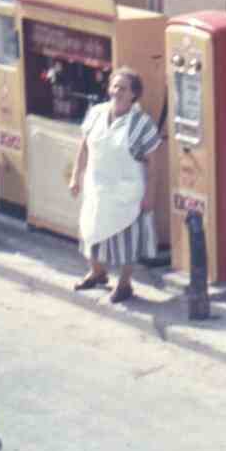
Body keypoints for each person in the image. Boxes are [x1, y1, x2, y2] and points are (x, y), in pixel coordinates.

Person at [69, 67, 163, 303]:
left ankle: (124, 284)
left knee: (126, 240)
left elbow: (153, 163)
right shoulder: (96, 113)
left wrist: (150, 195)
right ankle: (97, 272)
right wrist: (75, 176)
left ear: (134, 94)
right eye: (114, 86)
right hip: (96, 186)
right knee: (91, 229)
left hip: (126, 193)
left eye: (123, 88)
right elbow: (84, 146)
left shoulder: (142, 124)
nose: (117, 92)